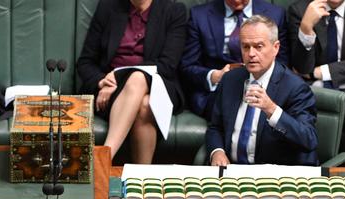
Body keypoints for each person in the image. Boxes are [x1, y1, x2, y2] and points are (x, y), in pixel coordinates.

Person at [77, 0, 186, 162]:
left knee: (139, 80)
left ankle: (104, 157)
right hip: (112, 92)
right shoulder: (108, 8)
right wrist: (102, 82)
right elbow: (85, 62)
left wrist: (119, 75)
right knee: (145, 104)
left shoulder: (174, 10)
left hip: (159, 86)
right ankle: (141, 179)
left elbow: (167, 65)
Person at [205, 15, 318, 166]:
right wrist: (217, 151)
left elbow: (308, 140)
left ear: (275, 48)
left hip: (273, 176)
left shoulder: (296, 87)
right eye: (245, 46)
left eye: (258, 46)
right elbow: (215, 127)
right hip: (231, 172)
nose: (251, 54)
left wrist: (271, 109)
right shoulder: (230, 80)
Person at [288, 0, 345, 166]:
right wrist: (306, 28)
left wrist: (320, 72)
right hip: (314, 92)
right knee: (300, 120)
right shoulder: (301, 10)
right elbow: (301, 67)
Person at [180, 0, 288, 120]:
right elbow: (188, 66)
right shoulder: (199, 15)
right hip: (218, 93)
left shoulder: (276, 14)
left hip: (263, 87)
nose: (237, 1)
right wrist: (215, 76)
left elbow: (282, 63)